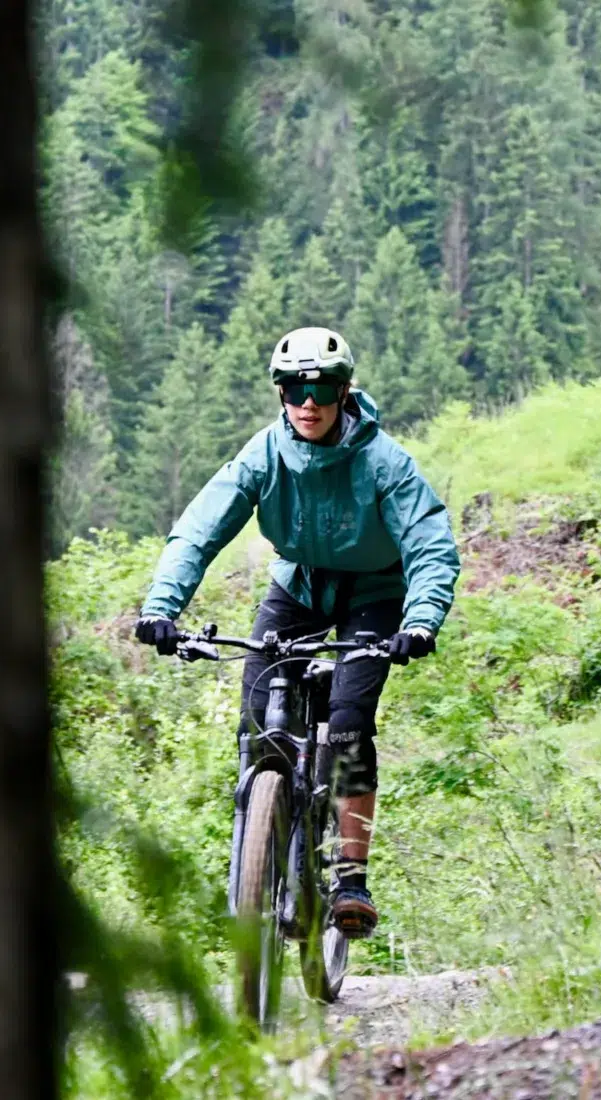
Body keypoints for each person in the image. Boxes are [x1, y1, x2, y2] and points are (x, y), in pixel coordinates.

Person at [135, 326, 460, 936]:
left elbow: (430, 545)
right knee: (258, 728)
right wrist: (162, 608)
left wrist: (419, 622)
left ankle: (350, 878)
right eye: (293, 388)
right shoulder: (265, 453)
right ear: (280, 393)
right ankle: (262, 849)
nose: (307, 402)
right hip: (299, 587)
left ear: (343, 392)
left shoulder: (384, 462)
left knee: (347, 728)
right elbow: (199, 529)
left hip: (375, 592)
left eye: (321, 387)